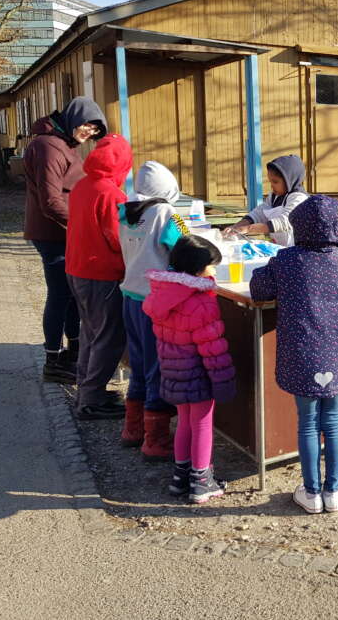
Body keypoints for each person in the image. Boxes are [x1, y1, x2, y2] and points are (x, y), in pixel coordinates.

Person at [249, 196, 338, 513]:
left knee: (307, 422)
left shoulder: (288, 260)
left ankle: (311, 493)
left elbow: (259, 289)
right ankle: (333, 492)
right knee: (334, 422)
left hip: (301, 354)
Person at [143, 236, 236, 504]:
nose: (215, 271)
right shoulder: (201, 301)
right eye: (212, 266)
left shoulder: (163, 294)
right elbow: (213, 348)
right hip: (198, 374)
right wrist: (223, 380)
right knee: (203, 423)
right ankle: (201, 481)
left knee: (184, 421)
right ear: (198, 269)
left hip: (173, 371)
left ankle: (180, 476)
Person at [23, 97, 107, 383]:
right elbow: (50, 201)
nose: (89, 132)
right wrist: (85, 225)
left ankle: (73, 351)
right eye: (87, 124)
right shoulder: (48, 146)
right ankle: (53, 360)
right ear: (73, 117)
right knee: (60, 293)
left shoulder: (64, 143)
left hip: (66, 232)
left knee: (71, 293)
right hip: (53, 233)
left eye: (95, 130)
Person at [118, 161, 189, 460]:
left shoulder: (125, 212)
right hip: (155, 301)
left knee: (138, 364)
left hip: (130, 296)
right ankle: (155, 440)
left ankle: (132, 429)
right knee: (156, 367)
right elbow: (186, 243)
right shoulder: (166, 213)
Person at [65, 133, 133, 420]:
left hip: (77, 269)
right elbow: (117, 238)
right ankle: (91, 400)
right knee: (108, 337)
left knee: (90, 332)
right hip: (101, 273)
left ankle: (87, 390)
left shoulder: (82, 185)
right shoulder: (111, 194)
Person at [224, 155, 307, 246]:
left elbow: (286, 221)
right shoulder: (274, 197)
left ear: (290, 181)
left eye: (275, 182)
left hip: (296, 248)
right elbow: (260, 213)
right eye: (270, 182)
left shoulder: (299, 198)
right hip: (280, 247)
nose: (272, 186)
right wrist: (237, 226)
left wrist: (249, 229)